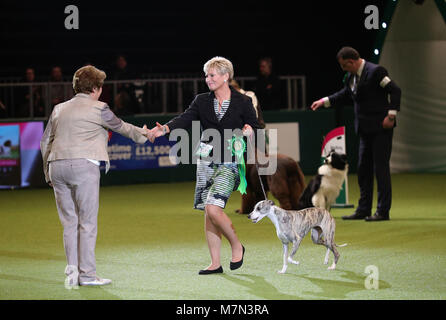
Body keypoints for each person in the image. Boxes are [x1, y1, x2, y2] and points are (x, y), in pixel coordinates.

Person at [148, 57, 260, 274]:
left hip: (230, 161)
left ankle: (237, 245)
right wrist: (164, 130)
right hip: (205, 162)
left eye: (212, 75)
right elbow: (185, 119)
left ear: (226, 76)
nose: (207, 79)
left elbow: (255, 128)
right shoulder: (201, 101)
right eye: (206, 75)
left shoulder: (243, 102)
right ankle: (215, 263)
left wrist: (249, 131)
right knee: (209, 212)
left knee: (213, 207)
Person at [40, 65, 149, 287]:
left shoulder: (59, 108)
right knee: (87, 223)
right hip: (83, 165)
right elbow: (122, 127)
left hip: (56, 166)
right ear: (97, 88)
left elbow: (45, 141)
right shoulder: (100, 108)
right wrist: (146, 134)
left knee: (69, 223)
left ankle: (72, 273)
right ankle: (87, 276)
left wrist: (47, 172)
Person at [311, 46, 401, 222]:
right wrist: (324, 101)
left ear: (351, 62)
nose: (344, 70)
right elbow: (345, 93)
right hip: (364, 130)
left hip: (381, 129)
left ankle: (383, 211)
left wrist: (391, 115)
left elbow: (395, 90)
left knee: (380, 169)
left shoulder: (375, 72)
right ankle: (364, 208)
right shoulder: (352, 76)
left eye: (345, 66)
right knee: (363, 170)